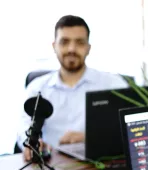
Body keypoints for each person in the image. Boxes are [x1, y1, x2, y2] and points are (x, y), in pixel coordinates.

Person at [17, 15, 128, 161]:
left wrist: (90, 138)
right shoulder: (37, 88)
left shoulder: (114, 85)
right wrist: (31, 144)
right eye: (64, 42)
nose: (71, 49)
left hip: (98, 166)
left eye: (79, 43)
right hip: (48, 165)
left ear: (88, 48)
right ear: (54, 46)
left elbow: (131, 131)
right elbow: (23, 129)